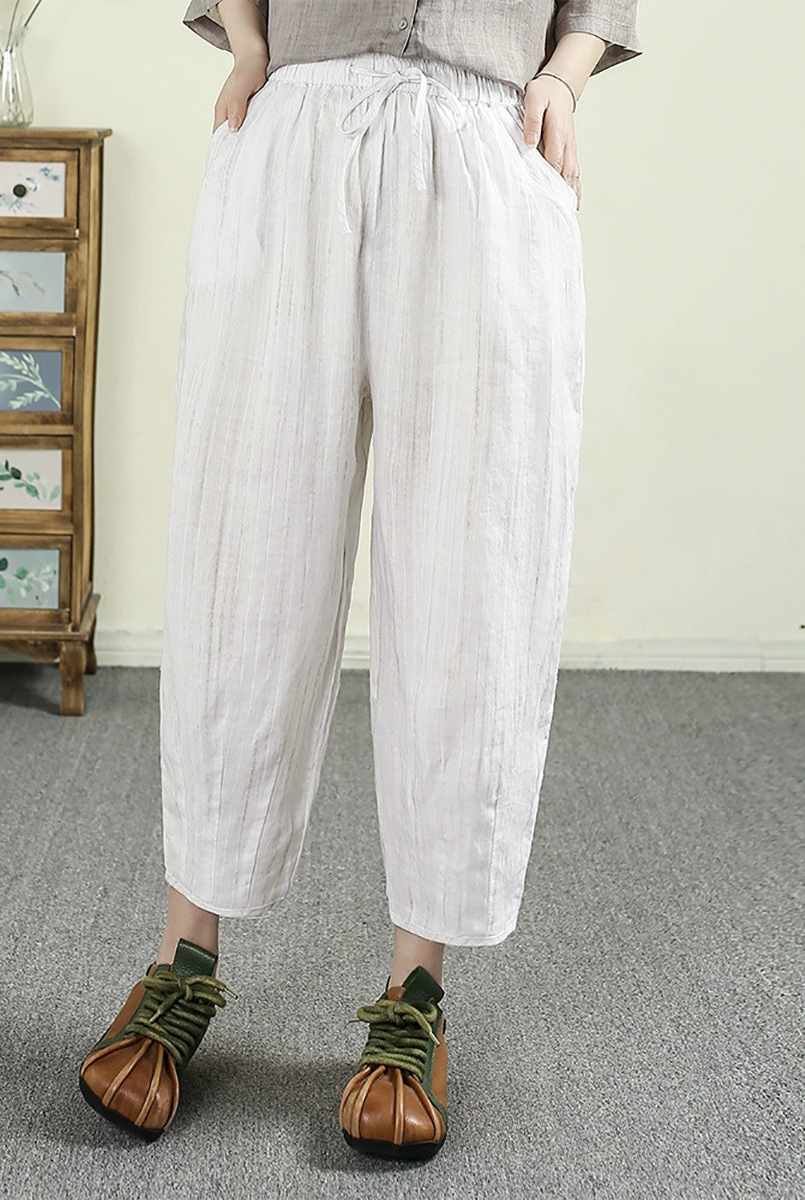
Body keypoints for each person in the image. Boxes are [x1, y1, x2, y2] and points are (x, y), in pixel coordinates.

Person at [79, 0, 643, 1161]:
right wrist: (248, 48)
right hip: (296, 120)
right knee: (243, 550)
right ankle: (182, 962)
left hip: (489, 131)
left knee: (473, 568)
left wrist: (567, 74)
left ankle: (415, 996)